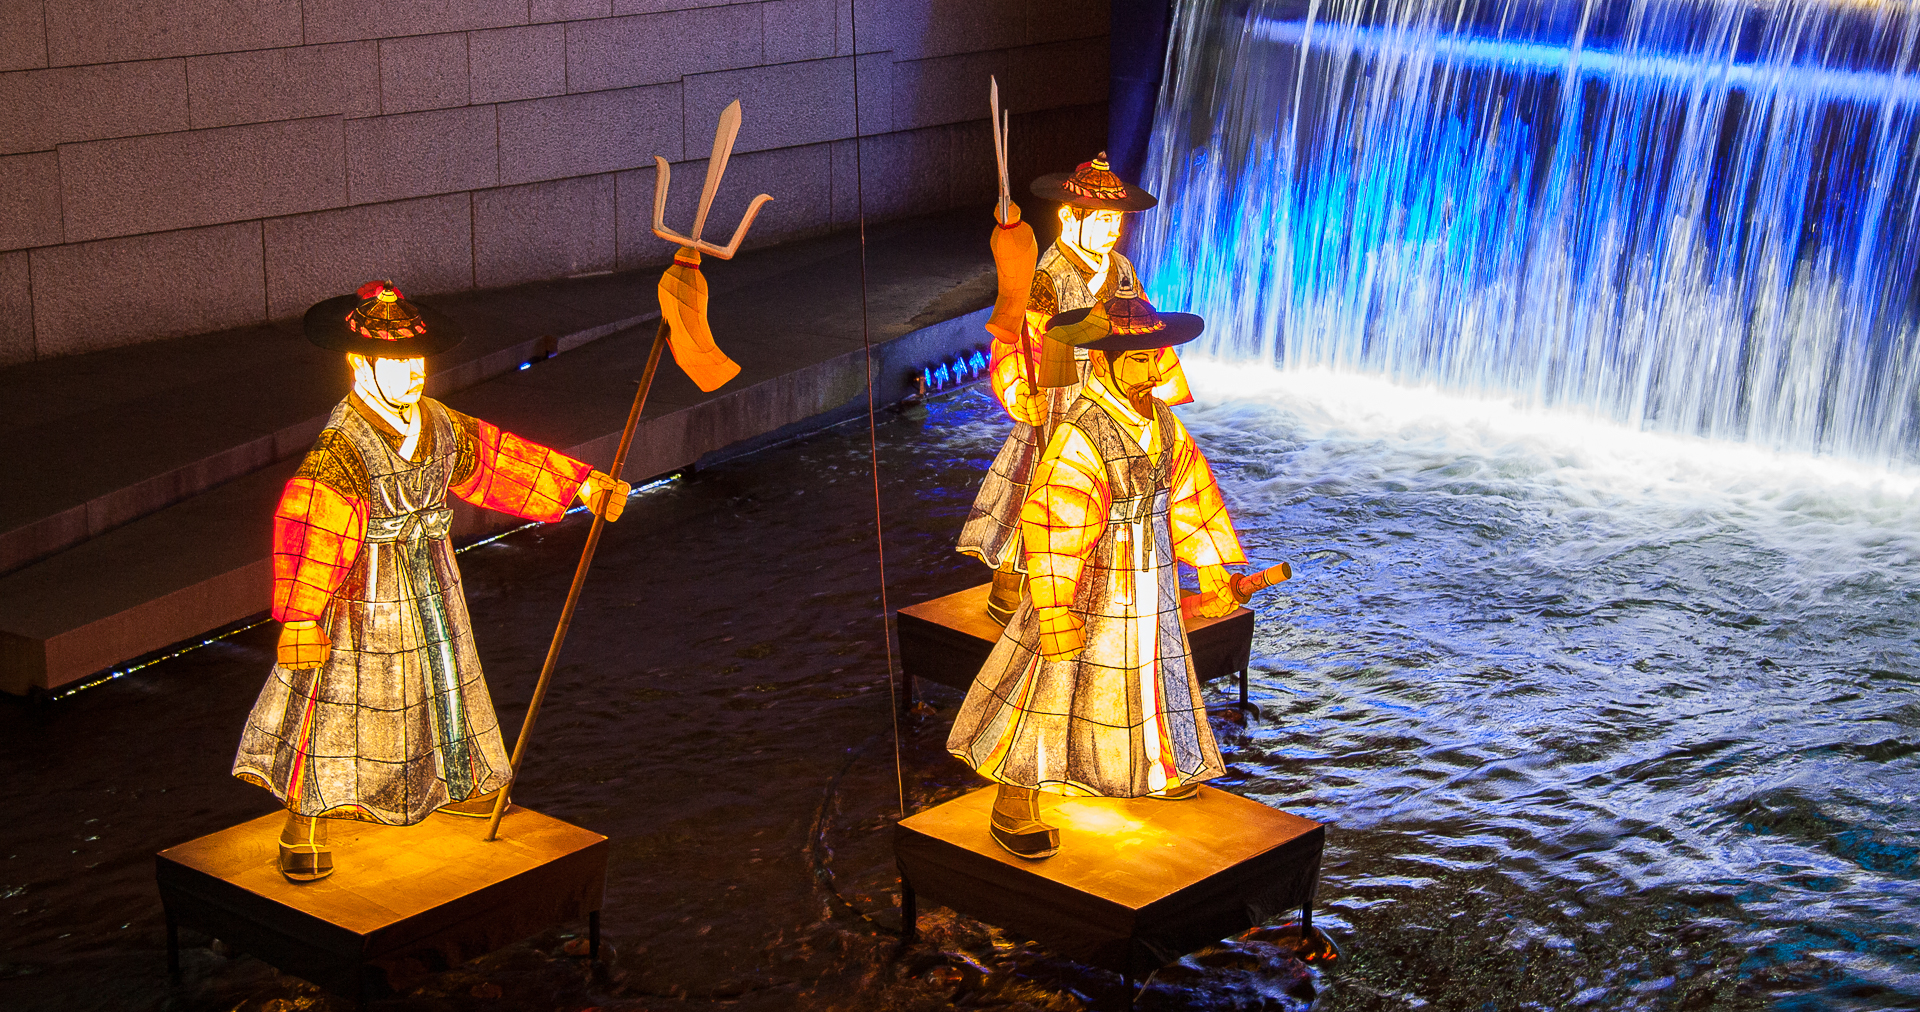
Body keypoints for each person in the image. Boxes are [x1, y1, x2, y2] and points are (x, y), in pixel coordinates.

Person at [232, 281, 629, 882]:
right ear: (358, 364)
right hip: (361, 593)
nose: (412, 373)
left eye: (417, 360)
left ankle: (454, 780)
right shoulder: (341, 448)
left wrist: (581, 486)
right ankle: (305, 821)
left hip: (433, 584)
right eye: (396, 362)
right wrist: (302, 616)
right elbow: (310, 527)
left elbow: (496, 461)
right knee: (343, 704)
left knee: (444, 684)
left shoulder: (440, 426)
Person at [947, 284, 1246, 859]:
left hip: (1151, 565)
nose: (1154, 366)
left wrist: (1210, 569)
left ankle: (1160, 766)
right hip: (1093, 572)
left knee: (1154, 671)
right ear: (1106, 361)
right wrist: (1055, 602)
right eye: (1139, 356)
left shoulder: (1160, 422)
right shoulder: (1082, 431)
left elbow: (1190, 495)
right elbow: (1056, 516)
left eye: (1155, 355)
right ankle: (1014, 800)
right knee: (1053, 683)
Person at [959, 154, 1193, 625]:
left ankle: (1096, 588)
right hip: (1058, 396)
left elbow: (1144, 327)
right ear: (1069, 216)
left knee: (1111, 490)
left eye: (1117, 220)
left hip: (1111, 394)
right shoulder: (1047, 275)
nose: (1113, 230)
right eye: (1104, 219)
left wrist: (1158, 383)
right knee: (1038, 487)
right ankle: (1012, 589)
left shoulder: (1121, 269)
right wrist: (1018, 391)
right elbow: (1014, 339)